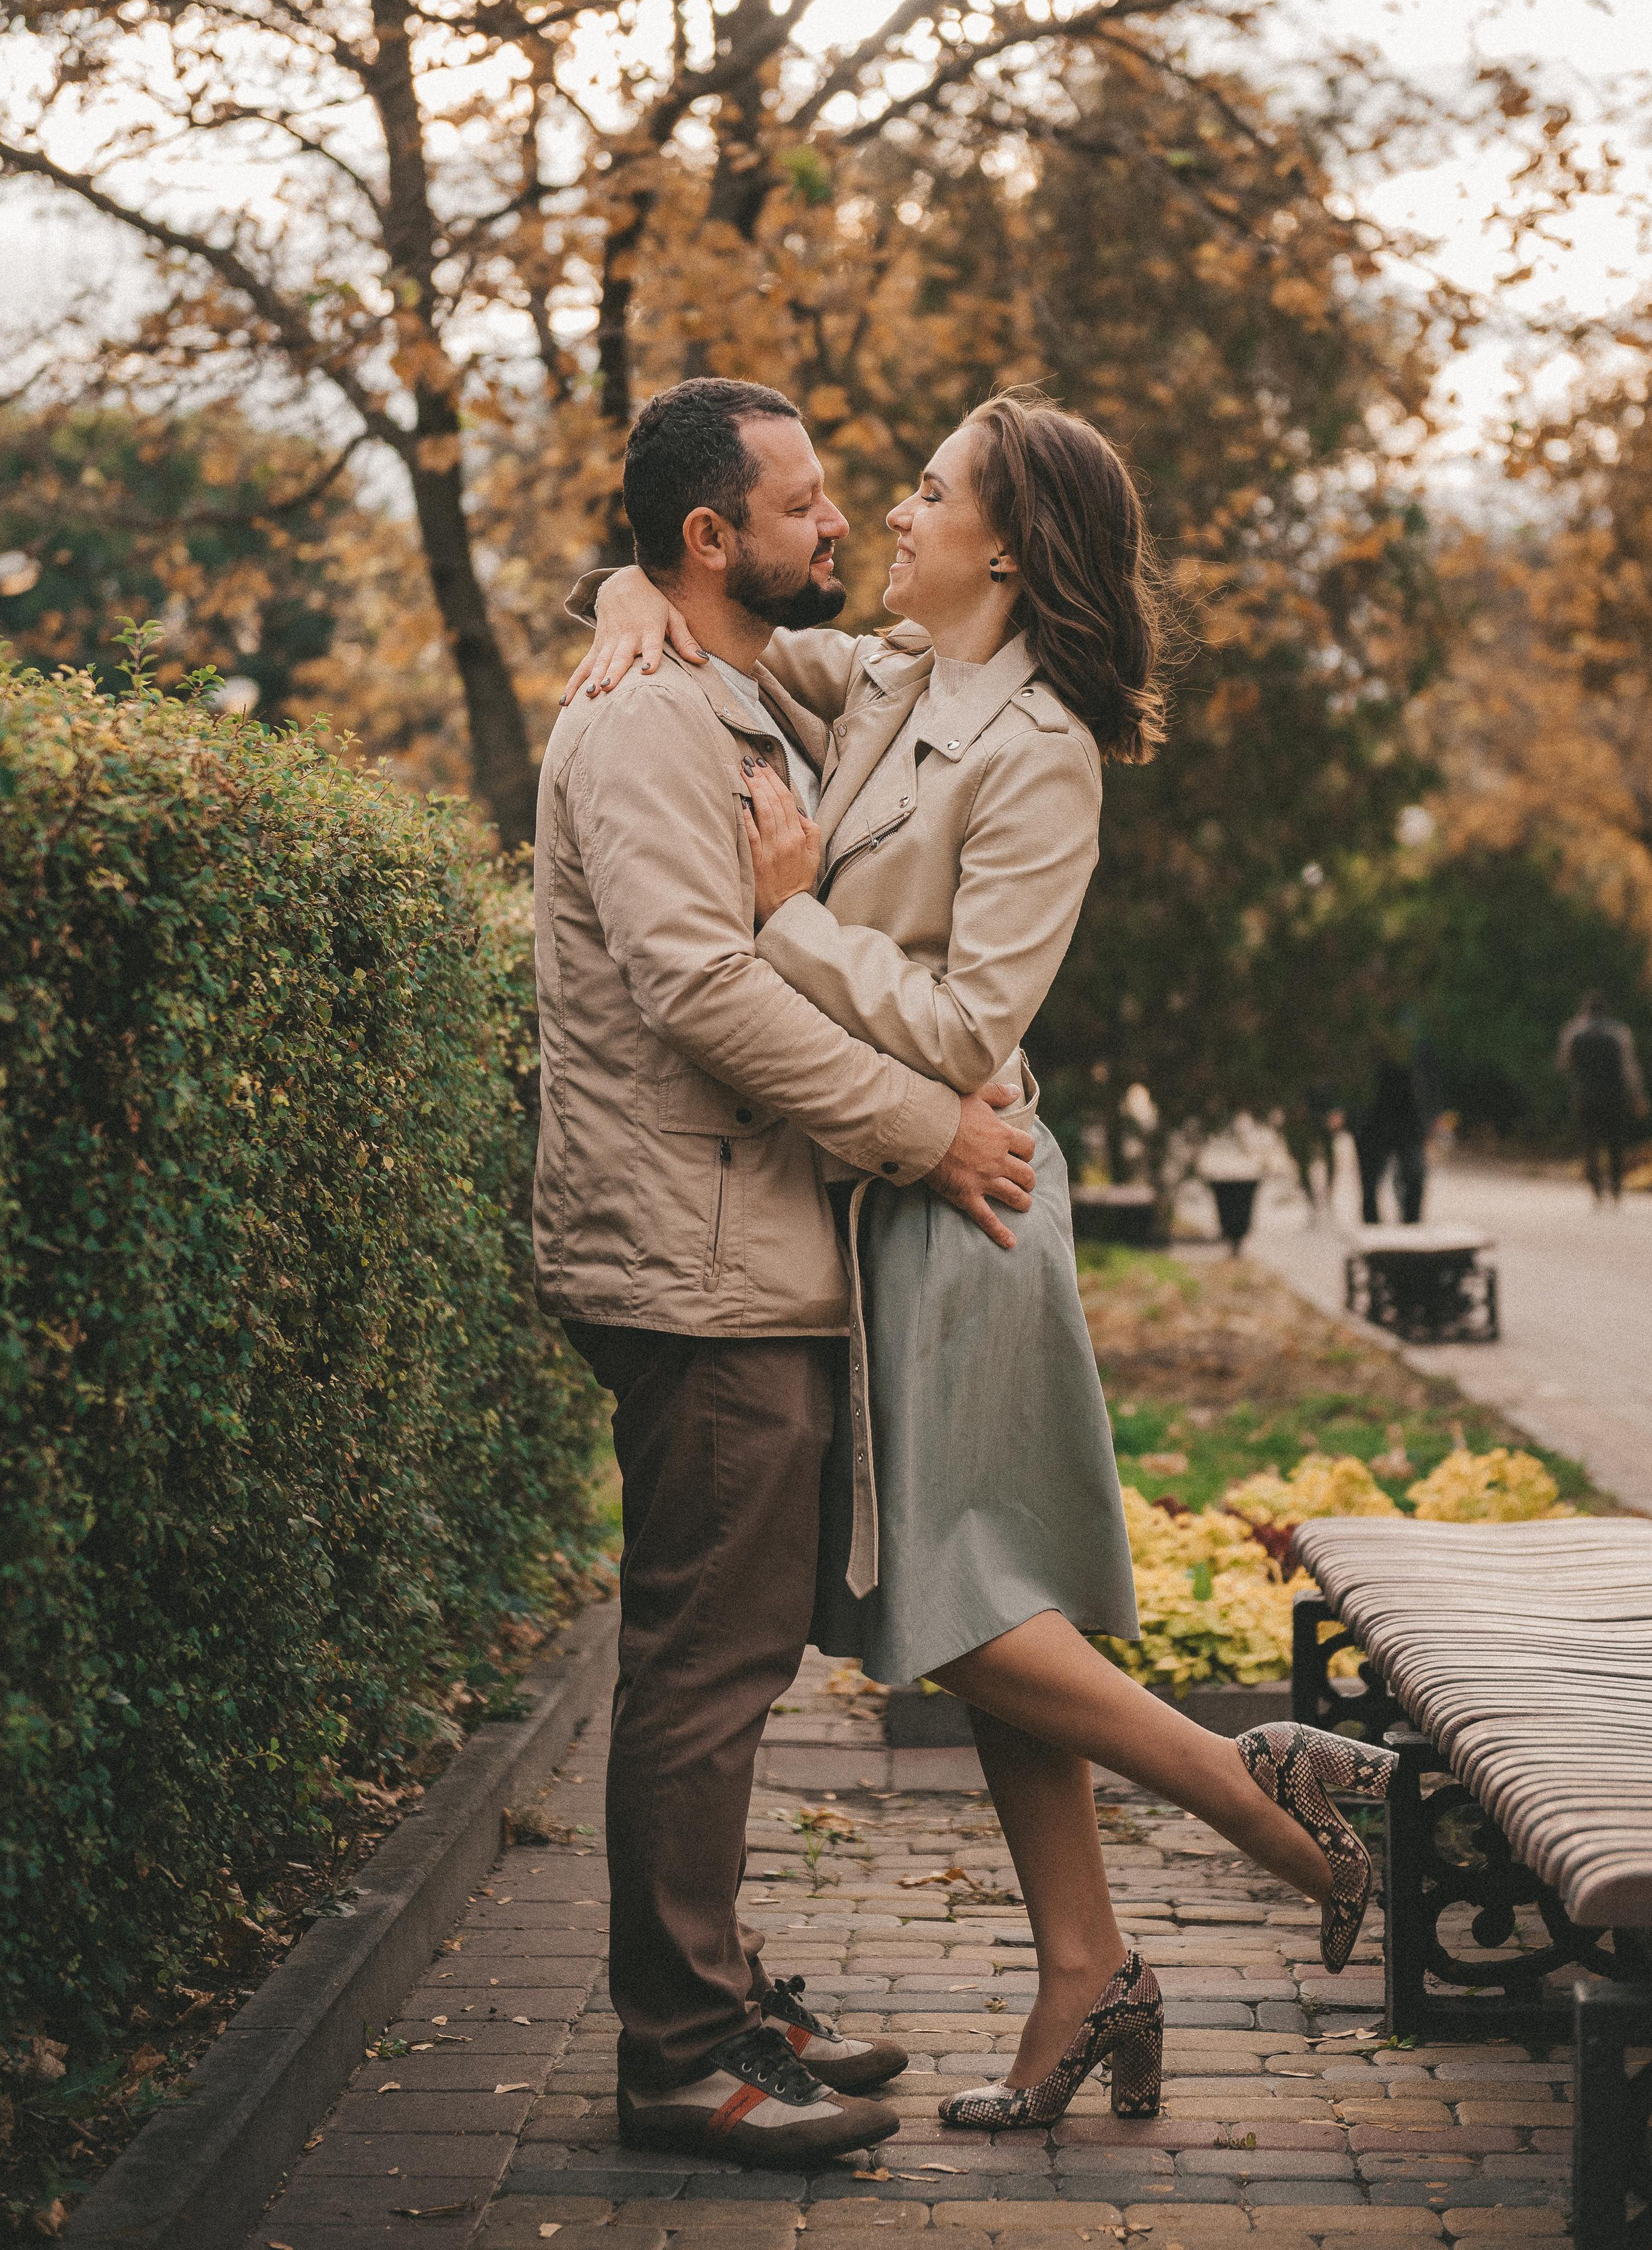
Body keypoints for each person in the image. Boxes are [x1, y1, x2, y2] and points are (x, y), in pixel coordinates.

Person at [572, 388, 1397, 2137]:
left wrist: (794, 923)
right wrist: (621, 593)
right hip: (883, 1201)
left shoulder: (1042, 750)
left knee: (950, 1605)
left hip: (965, 1202)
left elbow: (965, 1027)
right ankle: (1088, 1958)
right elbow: (706, 610)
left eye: (927, 490)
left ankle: (1247, 1784)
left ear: (1007, 542)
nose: (888, 511)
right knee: (973, 1587)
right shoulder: (889, 682)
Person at [533, 378, 1043, 2170]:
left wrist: (627, 600)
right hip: (694, 1264)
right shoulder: (653, 723)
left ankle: (721, 1990)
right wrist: (931, 1130)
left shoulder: (731, 682)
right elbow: (706, 988)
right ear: (710, 537)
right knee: (703, 1667)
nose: (837, 526)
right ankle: (681, 2055)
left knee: (724, 1657)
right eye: (807, 504)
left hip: (744, 1248)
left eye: (846, 500)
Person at [1558, 990, 1649, 1203]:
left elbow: (1564, 1064)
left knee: (1590, 1143)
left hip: (1585, 1095)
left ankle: (1596, 1187)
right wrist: (1638, 1096)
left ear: (1585, 1010)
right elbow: (1629, 1068)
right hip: (1614, 1096)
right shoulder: (1619, 1033)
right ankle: (1616, 1187)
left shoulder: (1572, 1032)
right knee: (1616, 1143)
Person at [1352, 1017, 1443, 1225]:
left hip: (1409, 1118)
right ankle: (1372, 1229)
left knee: (1414, 1174)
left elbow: (1432, 1076)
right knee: (1369, 1180)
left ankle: (1412, 1224)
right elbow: (1352, 1078)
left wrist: (1434, 1114)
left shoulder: (1417, 1036)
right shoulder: (1365, 1034)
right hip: (1372, 1118)